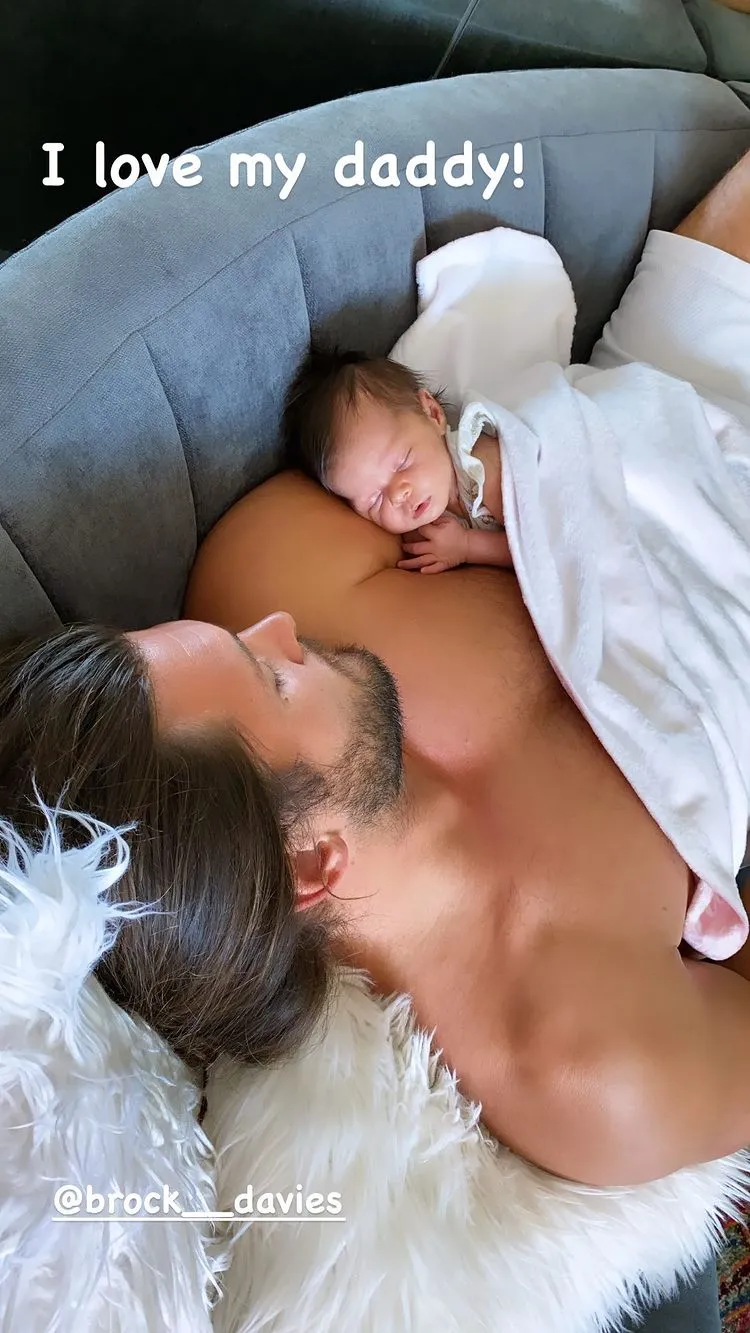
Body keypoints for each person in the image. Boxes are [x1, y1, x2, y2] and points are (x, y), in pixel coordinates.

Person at [184, 147, 750, 1192]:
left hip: (645, 427)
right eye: (262, 672)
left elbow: (437, 457)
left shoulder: (264, 571)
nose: (273, 627)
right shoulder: (588, 1067)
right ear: (309, 867)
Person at [284, 349, 512, 574]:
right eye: (374, 500)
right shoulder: (421, 531)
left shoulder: (479, 464)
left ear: (433, 414)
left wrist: (468, 546)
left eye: (403, 463)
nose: (397, 495)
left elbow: (529, 542)